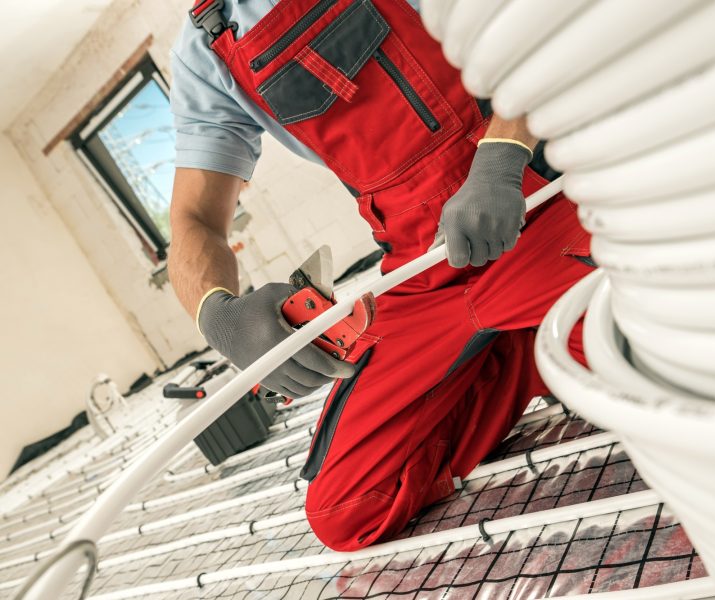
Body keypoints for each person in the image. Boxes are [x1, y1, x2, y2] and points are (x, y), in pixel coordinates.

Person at [168, 0, 593, 552]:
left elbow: (535, 20)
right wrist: (218, 316)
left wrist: (502, 157)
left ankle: (548, 327)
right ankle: (531, 344)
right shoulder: (205, 48)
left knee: (669, 362)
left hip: (530, 202)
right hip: (423, 269)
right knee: (347, 509)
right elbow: (193, 220)